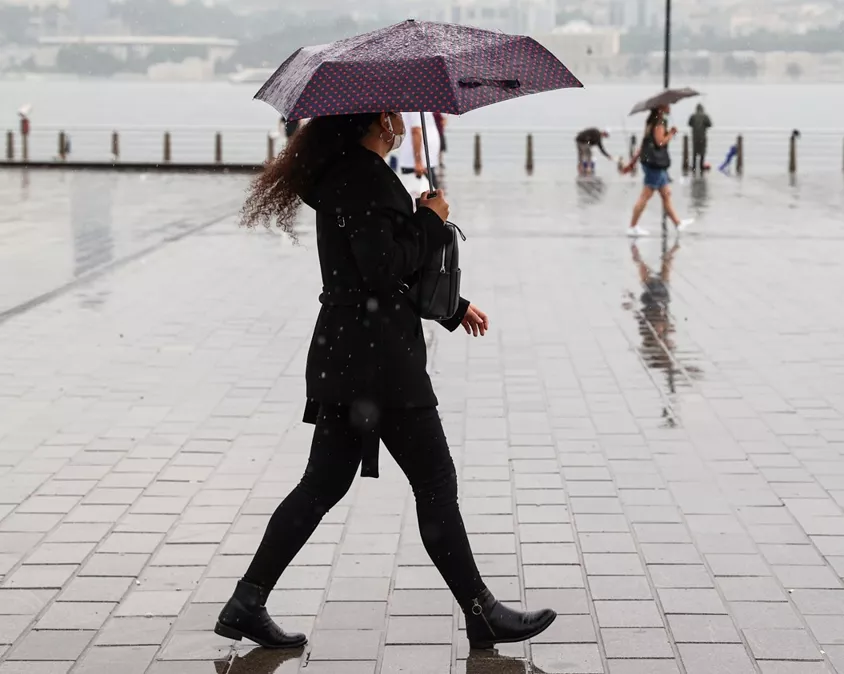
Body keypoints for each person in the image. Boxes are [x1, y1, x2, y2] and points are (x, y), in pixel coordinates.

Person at [226, 111, 557, 650]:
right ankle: (482, 611)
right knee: (435, 483)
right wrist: (432, 219)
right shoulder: (366, 178)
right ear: (383, 118)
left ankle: (248, 600)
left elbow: (373, 273)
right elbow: (383, 270)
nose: (402, 120)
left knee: (321, 485)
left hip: (348, 354)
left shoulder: (344, 175)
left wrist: (452, 308)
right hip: (380, 364)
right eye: (396, 114)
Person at [624, 105, 692, 237]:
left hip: (652, 164)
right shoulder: (659, 122)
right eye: (667, 105)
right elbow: (660, 142)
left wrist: (632, 162)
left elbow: (644, 144)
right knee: (645, 196)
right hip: (655, 165)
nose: (670, 107)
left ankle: (678, 224)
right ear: (661, 108)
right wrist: (671, 134)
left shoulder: (650, 121)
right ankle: (632, 226)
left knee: (666, 194)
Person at [390, 111, 443, 201]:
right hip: (418, 164)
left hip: (425, 161)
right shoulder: (416, 106)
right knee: (430, 201)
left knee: (431, 199)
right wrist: (418, 161)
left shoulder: (422, 104)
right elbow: (415, 131)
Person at [687, 104, 712, 173]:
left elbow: (689, 124)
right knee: (702, 151)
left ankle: (694, 166)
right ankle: (701, 166)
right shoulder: (705, 116)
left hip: (695, 137)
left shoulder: (693, 116)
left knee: (695, 152)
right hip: (702, 137)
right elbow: (710, 124)